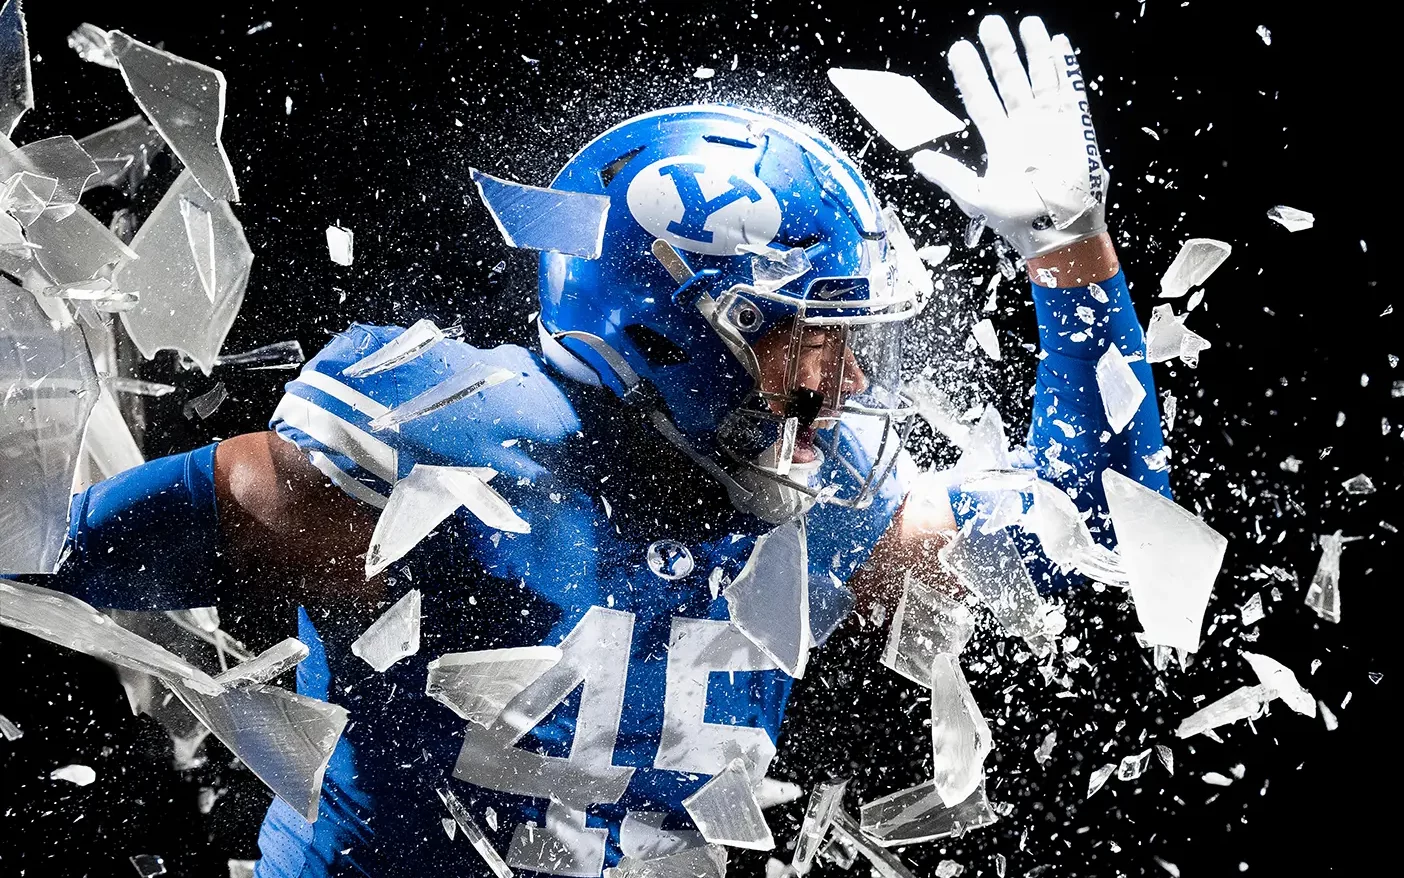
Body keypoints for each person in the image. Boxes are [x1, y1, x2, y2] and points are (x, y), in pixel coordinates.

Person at [28, 15, 1169, 877]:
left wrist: (1074, 261)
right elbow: (47, 556)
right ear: (674, 327)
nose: (852, 378)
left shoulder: (835, 499)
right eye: (813, 338)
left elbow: (1102, 538)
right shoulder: (441, 436)